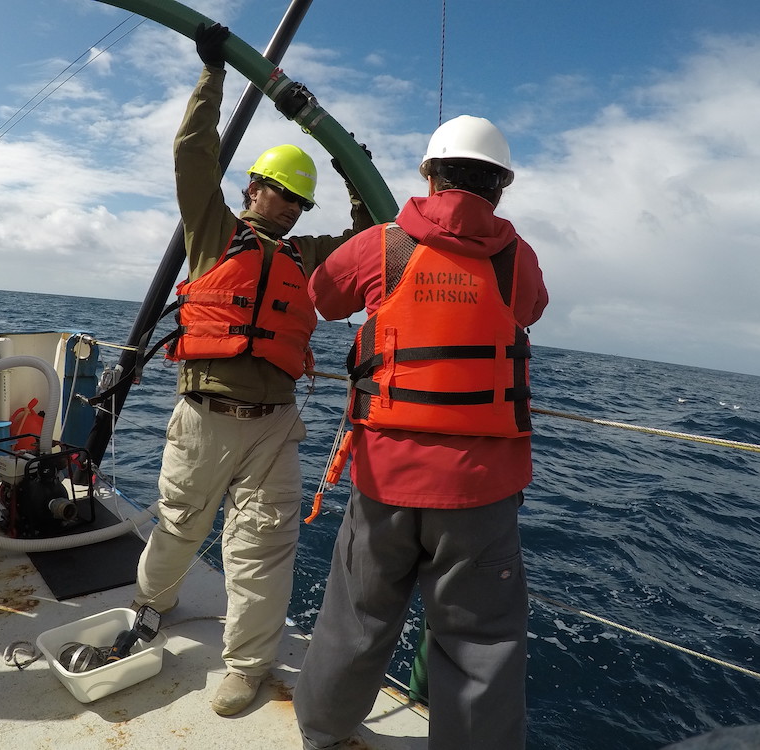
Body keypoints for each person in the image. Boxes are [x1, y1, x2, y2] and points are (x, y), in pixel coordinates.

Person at [131, 23, 373, 718]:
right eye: (282, 195)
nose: (292, 209)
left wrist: (358, 179)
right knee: (179, 525)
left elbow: (365, 245)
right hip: (204, 417)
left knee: (264, 553)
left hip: (275, 428)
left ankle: (246, 666)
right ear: (255, 188)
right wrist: (212, 76)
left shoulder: (305, 256)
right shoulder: (212, 231)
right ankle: (151, 605)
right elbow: (191, 152)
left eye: (301, 203)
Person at [293, 115, 548, 749]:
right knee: (481, 645)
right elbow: (531, 310)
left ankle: (322, 736)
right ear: (500, 187)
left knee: (356, 621)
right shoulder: (518, 258)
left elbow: (323, 297)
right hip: (483, 493)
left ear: (430, 175)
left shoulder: (382, 244)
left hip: (385, 478)